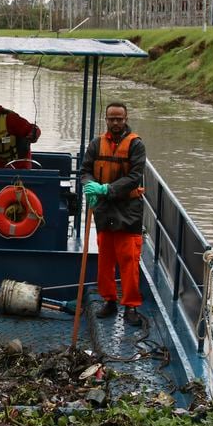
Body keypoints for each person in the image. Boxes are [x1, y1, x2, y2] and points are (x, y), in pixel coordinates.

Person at [82, 102, 145, 327]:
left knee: (129, 259)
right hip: (103, 208)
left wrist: (108, 189)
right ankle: (109, 300)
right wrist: (90, 187)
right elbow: (86, 170)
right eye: (112, 119)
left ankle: (131, 306)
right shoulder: (96, 144)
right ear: (106, 119)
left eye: (119, 119)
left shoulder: (136, 144)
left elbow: (135, 176)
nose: (116, 123)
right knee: (105, 258)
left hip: (128, 209)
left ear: (126, 118)